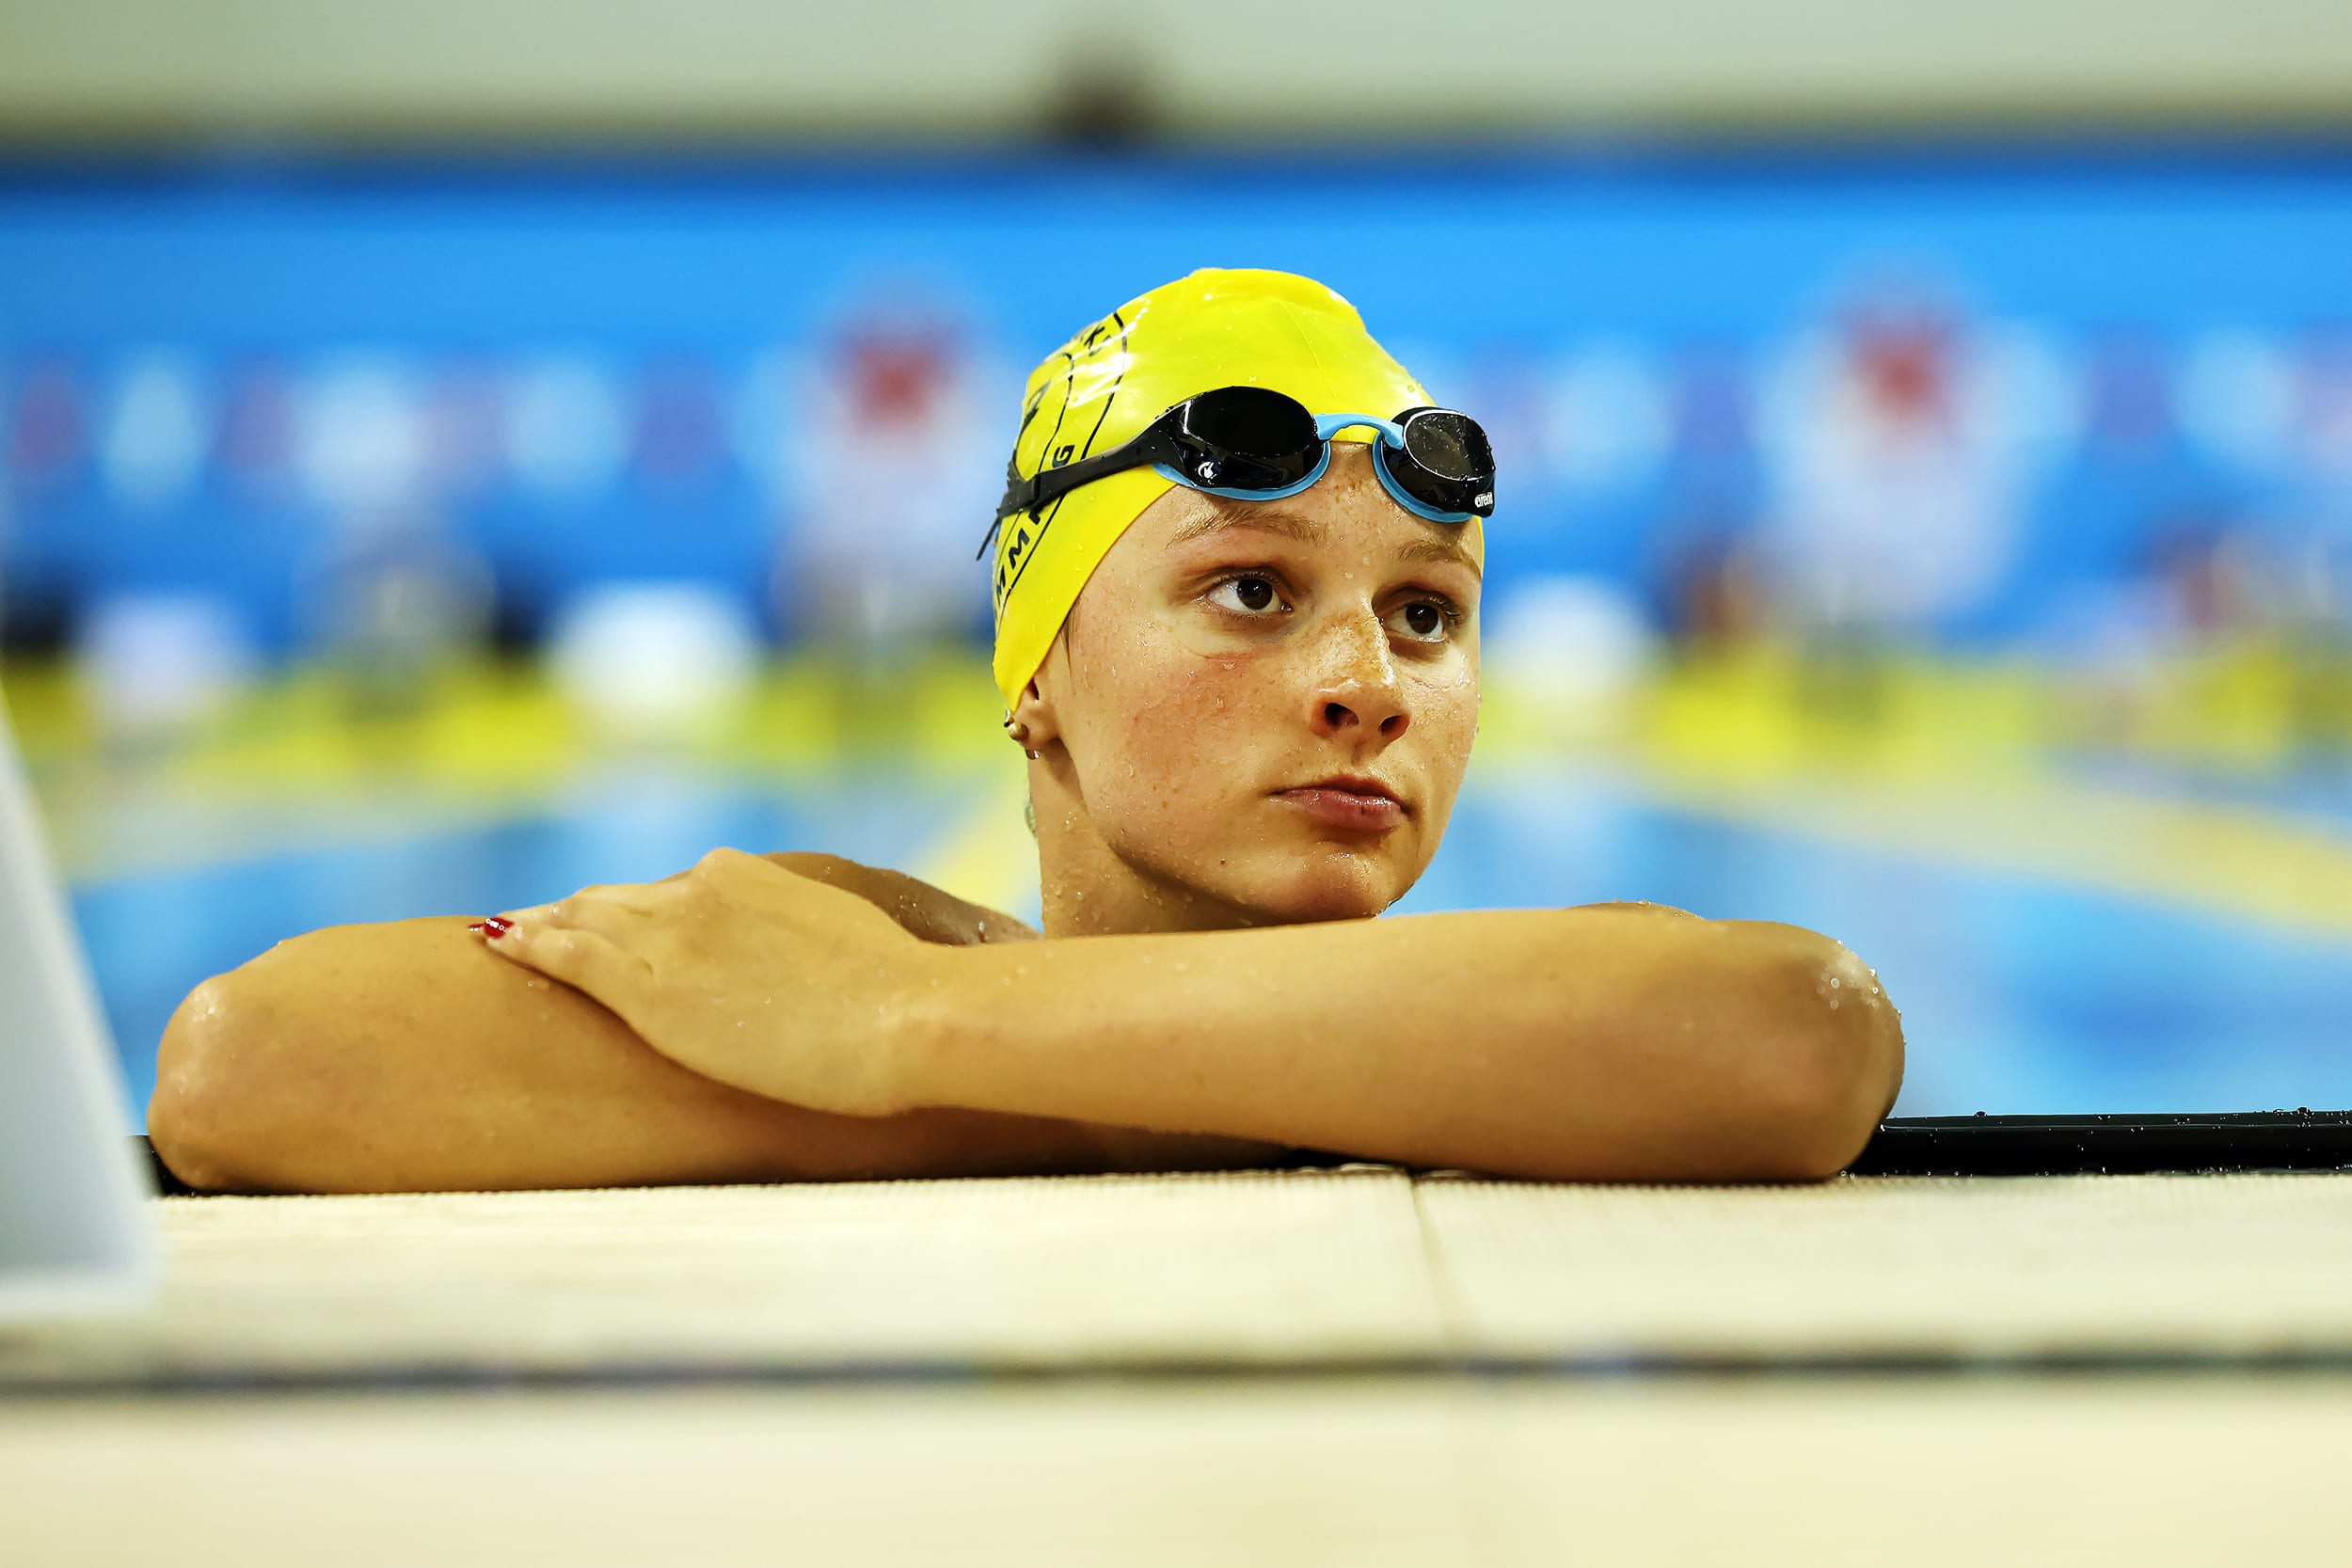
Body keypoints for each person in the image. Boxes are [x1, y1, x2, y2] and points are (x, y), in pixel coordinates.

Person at [148, 269, 1902, 1195]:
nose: (1368, 677)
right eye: (1249, 590)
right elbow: (252, 1066)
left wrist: (901, 1030)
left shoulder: (869, 994)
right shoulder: (850, 926)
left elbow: (1797, 1038)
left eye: (1425, 612)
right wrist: (914, 996)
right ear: (1036, 674)